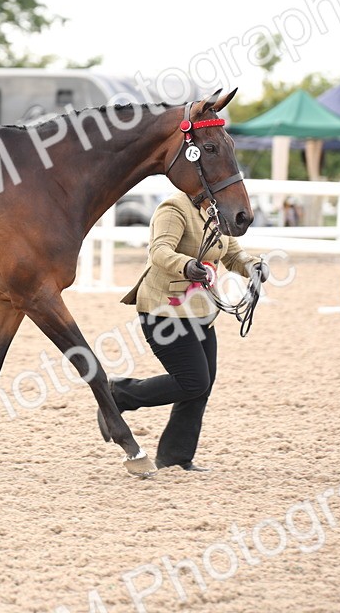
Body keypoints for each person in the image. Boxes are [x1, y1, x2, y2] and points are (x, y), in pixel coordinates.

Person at [113, 193, 268, 472]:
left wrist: (253, 266)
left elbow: (232, 254)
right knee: (194, 381)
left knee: (202, 385)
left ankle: (176, 457)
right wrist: (185, 265)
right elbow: (159, 251)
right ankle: (119, 394)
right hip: (163, 310)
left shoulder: (218, 212)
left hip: (200, 311)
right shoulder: (174, 209)